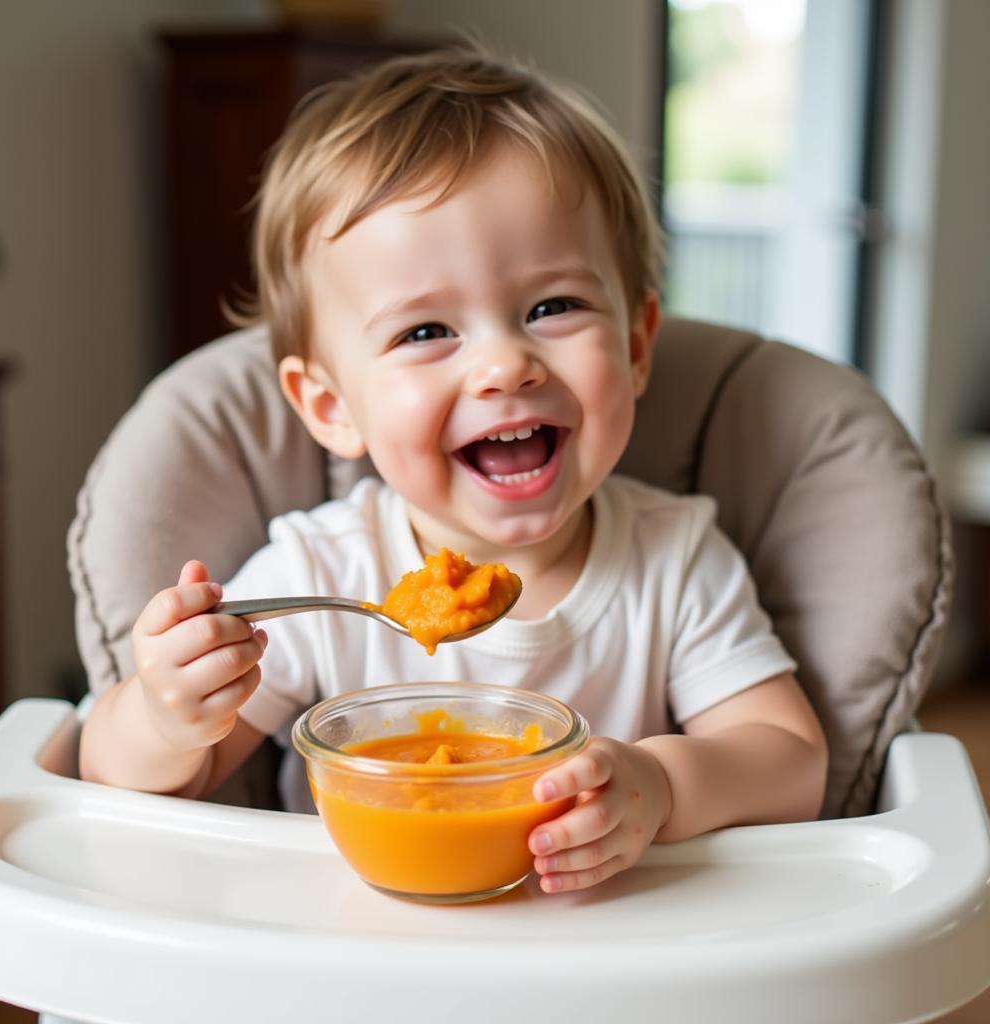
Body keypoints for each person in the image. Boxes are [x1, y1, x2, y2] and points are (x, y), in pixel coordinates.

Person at [79, 43, 827, 895]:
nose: (506, 365)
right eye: (425, 332)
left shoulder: (675, 558)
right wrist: (164, 715)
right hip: (357, 964)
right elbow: (118, 783)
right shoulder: (323, 574)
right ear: (330, 406)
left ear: (635, 343)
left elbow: (793, 765)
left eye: (552, 307)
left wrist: (660, 788)